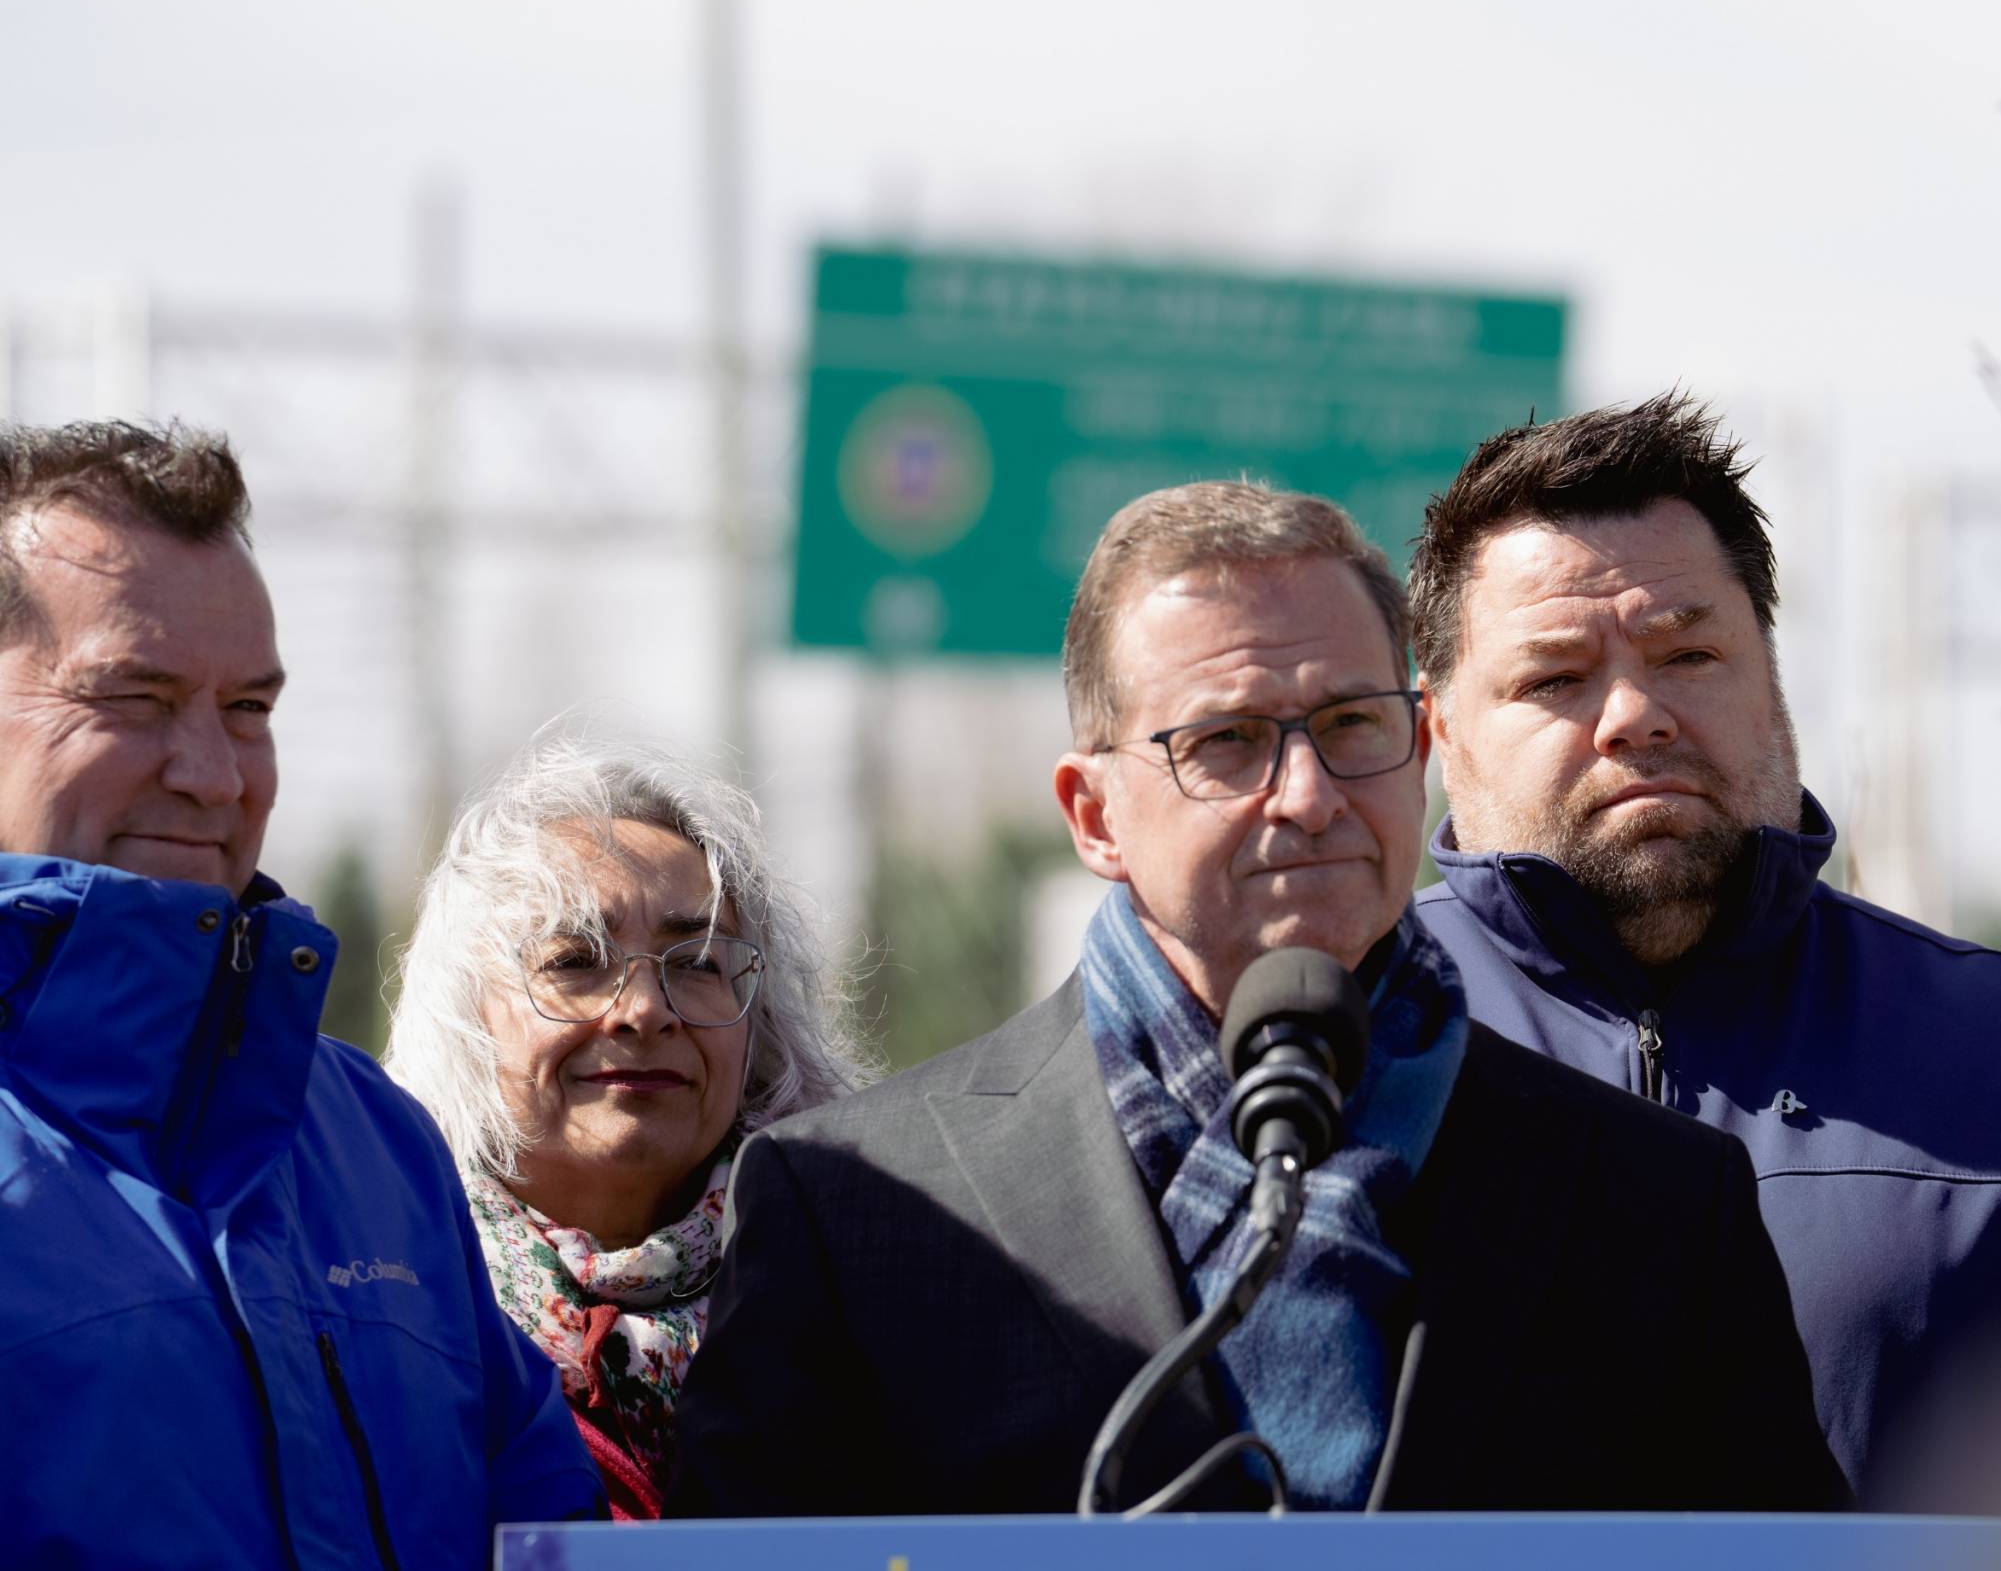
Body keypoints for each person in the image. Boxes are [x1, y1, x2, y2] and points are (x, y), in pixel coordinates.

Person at [675, 480, 1847, 1517]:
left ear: (1420, 746)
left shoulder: (1656, 1199)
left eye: (1350, 726)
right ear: (1093, 814)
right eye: (1227, 742)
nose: (1306, 795)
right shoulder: (855, 1207)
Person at [1405, 392, 2001, 1515]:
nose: (1634, 714)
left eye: (1688, 651)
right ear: (1440, 733)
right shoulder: (1334, 1055)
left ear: (1769, 679)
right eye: (1553, 679)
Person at [0, 421, 599, 1567]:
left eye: (249, 710)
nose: (216, 774)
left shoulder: (375, 1143)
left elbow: (539, 1524)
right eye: (135, 697)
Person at [385, 732, 875, 1519]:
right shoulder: (381, 1297)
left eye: (698, 961)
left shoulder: (868, 1303)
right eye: (574, 960)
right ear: (466, 1015)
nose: (644, 1010)